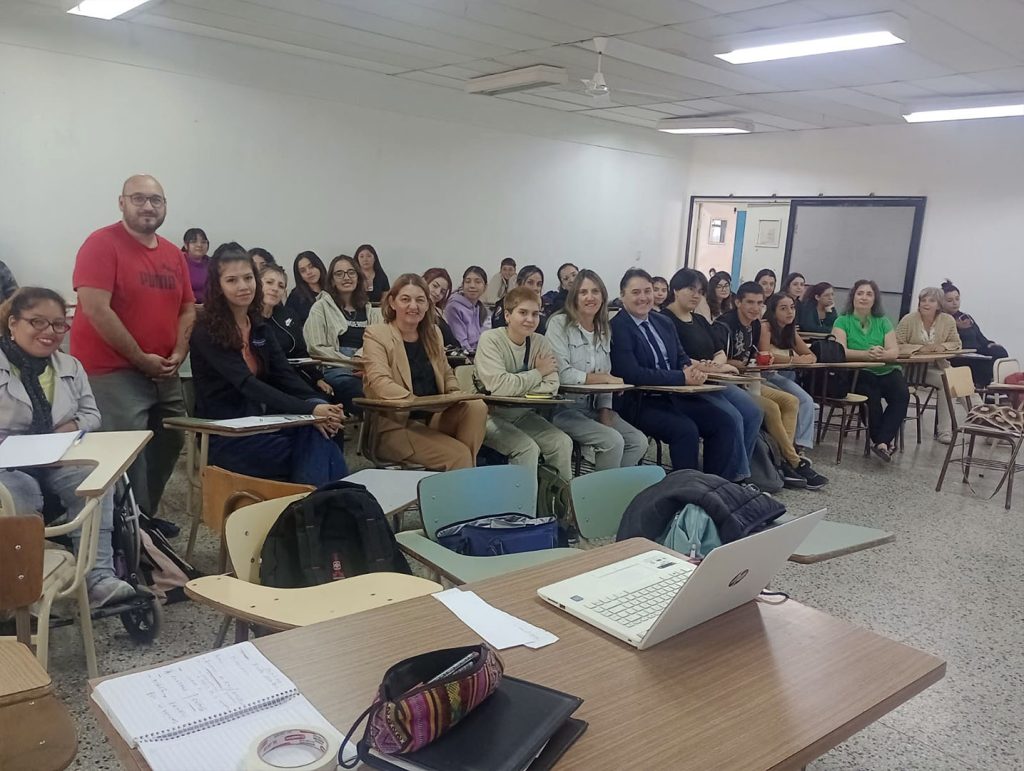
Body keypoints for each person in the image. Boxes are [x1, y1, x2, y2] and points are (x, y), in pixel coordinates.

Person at [0, 288, 136, 607]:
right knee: (18, 492)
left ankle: (97, 579)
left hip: (57, 455)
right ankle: (24, 589)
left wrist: (70, 427)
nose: (49, 332)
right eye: (38, 322)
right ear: (13, 323)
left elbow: (91, 414)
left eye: (58, 325)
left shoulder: (70, 366)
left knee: (93, 479)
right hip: (7, 464)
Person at [72, 174, 193, 520]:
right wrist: (140, 358)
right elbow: (96, 308)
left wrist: (179, 353)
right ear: (121, 202)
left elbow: (186, 308)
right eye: (138, 198)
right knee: (127, 456)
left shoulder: (172, 253)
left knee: (170, 442)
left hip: (164, 371)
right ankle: (128, 537)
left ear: (165, 206)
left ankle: (143, 524)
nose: (148, 206)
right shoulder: (101, 243)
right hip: (113, 372)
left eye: (156, 200)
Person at [190, 244, 347, 484]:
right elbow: (247, 384)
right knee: (316, 441)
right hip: (226, 434)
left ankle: (314, 509)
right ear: (218, 286)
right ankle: (323, 509)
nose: (243, 286)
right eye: (232, 280)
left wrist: (324, 406)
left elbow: (285, 375)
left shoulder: (259, 326)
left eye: (248, 278)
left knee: (323, 429)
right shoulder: (206, 331)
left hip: (264, 424)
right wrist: (311, 411)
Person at [665, 270, 826, 489]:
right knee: (737, 415)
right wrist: (708, 364)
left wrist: (718, 362)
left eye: (700, 291)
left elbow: (718, 350)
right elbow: (677, 356)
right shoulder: (667, 320)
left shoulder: (700, 320)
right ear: (675, 289)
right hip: (694, 383)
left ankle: (749, 471)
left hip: (722, 377)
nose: (696, 295)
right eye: (690, 289)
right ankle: (734, 476)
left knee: (757, 410)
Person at [609, 269, 739, 477]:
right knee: (685, 431)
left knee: (724, 422)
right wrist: (681, 377)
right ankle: (684, 494)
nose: (643, 297)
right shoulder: (618, 326)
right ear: (622, 295)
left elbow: (681, 358)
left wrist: (692, 371)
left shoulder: (663, 322)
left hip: (676, 396)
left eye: (647, 291)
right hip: (642, 401)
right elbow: (631, 373)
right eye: (635, 292)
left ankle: (716, 488)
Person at [362, 275, 488, 470]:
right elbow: (380, 383)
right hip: (398, 427)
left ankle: (460, 475)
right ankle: (462, 477)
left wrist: (454, 393)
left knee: (476, 406)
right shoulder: (377, 334)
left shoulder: (434, 333)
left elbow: (446, 373)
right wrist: (417, 402)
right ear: (392, 302)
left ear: (428, 305)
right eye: (405, 299)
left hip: (435, 419)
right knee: (460, 455)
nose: (414, 306)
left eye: (420, 300)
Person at [545, 270, 647, 471]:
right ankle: (598, 497)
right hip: (563, 409)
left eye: (595, 292)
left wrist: (605, 411)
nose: (590, 297)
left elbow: (606, 379)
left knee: (638, 442)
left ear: (603, 296)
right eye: (583, 292)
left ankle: (611, 488)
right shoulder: (559, 324)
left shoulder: (603, 329)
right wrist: (603, 378)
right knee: (613, 441)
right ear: (574, 297)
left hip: (594, 407)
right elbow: (561, 374)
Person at [474, 287, 574, 482]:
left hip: (522, 415)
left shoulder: (541, 342)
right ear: (508, 315)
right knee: (527, 448)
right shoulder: (490, 339)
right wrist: (539, 372)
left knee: (562, 442)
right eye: (523, 312)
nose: (530, 319)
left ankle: (558, 506)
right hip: (488, 417)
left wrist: (518, 386)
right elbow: (500, 387)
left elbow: (552, 385)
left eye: (535, 314)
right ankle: (522, 508)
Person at [716, 283, 819, 458]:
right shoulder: (725, 324)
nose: (755, 308)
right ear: (737, 302)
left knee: (792, 401)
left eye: (759, 303)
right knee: (771, 407)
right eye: (750, 302)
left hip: (750, 379)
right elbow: (721, 360)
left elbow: (754, 356)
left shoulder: (755, 325)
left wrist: (761, 360)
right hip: (728, 380)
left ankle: (781, 457)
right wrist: (752, 364)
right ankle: (790, 460)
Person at [833, 280, 910, 462]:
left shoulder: (883, 321)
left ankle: (882, 441)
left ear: (875, 299)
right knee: (871, 399)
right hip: (860, 370)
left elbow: (894, 351)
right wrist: (865, 355)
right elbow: (840, 351)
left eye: (869, 294)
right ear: (853, 296)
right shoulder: (842, 321)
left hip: (886, 368)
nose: (864, 297)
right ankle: (881, 442)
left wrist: (882, 353)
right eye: (860, 293)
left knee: (902, 394)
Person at [303, 254, 383, 413]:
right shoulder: (320, 308)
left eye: (351, 272)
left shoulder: (370, 310)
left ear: (358, 277)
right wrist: (350, 362)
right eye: (339, 274)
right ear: (332, 280)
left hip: (368, 366)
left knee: (390, 389)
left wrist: (360, 359)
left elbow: (378, 341)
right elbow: (315, 347)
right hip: (335, 367)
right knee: (359, 392)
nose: (346, 277)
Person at [896, 287, 963, 443]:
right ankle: (945, 431)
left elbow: (956, 343)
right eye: (923, 300)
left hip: (936, 367)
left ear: (939, 305)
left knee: (961, 381)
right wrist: (919, 348)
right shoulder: (908, 319)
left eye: (931, 301)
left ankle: (985, 423)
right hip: (911, 368)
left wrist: (943, 347)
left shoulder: (947, 320)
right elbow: (896, 345)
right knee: (948, 380)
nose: (926, 304)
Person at [259, 264, 334, 398]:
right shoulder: (247, 318)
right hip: (265, 381)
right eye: (269, 282)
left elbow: (300, 351)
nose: (275, 289)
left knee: (326, 400)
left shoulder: (288, 315)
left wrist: (317, 378)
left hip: (293, 376)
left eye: (281, 286)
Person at [941, 279, 1010, 388]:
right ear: (942, 302)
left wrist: (990, 344)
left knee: (999, 351)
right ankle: (982, 388)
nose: (955, 303)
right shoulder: (941, 319)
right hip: (959, 355)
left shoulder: (965, 317)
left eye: (957, 299)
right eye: (950, 300)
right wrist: (955, 326)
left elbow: (980, 337)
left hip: (976, 352)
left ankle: (997, 387)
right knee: (984, 364)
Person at [445, 266, 490, 352]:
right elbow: (462, 343)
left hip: (479, 353)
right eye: (468, 281)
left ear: (485, 287)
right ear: (462, 285)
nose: (472, 286)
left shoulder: (480, 308)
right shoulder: (453, 307)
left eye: (477, 282)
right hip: (465, 356)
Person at [492, 265, 547, 333]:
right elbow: (498, 330)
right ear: (518, 284)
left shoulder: (544, 305)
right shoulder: (506, 303)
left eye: (539, 284)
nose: (535, 288)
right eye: (530, 283)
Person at [285, 251, 327, 325]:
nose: (309, 272)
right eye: (303, 271)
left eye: (311, 267)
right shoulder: (296, 296)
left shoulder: (333, 290)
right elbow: (288, 323)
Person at [423, 267, 459, 348]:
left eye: (443, 291)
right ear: (424, 281)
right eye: (435, 286)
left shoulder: (440, 312)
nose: (437, 293)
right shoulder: (416, 311)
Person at [182, 227, 210, 304]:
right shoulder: (179, 261)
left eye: (203, 242)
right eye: (194, 242)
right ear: (185, 245)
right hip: (186, 307)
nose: (199, 245)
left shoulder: (212, 263)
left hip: (209, 307)